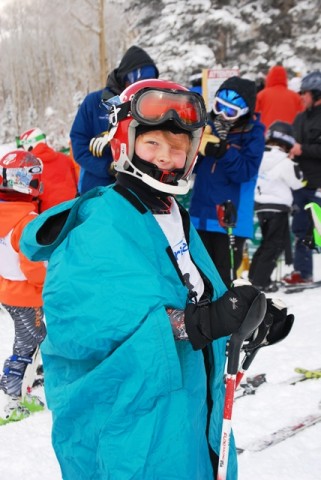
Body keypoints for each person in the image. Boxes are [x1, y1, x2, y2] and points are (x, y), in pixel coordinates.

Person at [19, 78, 279, 480]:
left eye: (178, 148)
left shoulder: (172, 213)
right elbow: (84, 325)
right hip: (133, 426)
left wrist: (244, 315)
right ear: (125, 141)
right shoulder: (101, 220)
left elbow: (195, 290)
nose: (166, 158)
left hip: (187, 412)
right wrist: (195, 323)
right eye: (152, 144)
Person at [189, 76, 265, 287]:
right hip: (200, 216)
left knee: (222, 281)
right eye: (219, 107)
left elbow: (245, 172)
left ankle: (225, 319)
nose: (222, 115)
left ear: (244, 113)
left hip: (229, 221)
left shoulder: (253, 135)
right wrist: (198, 145)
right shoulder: (207, 127)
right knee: (196, 277)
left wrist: (224, 151)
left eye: (230, 112)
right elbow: (188, 167)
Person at [70, 45, 159, 194]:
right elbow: (79, 146)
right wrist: (107, 167)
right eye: (139, 81)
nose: (143, 88)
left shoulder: (152, 107)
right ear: (125, 78)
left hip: (136, 192)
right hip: (96, 190)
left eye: (150, 83)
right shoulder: (94, 102)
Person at [0, 150, 47, 425]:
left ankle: (23, 390)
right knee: (29, 344)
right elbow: (33, 265)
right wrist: (49, 281)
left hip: (8, 291)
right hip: (28, 296)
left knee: (32, 340)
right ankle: (12, 400)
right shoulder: (27, 219)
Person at [249, 121, 305, 292]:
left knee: (267, 243)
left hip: (261, 206)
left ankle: (254, 276)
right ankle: (261, 281)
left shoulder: (259, 156)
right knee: (274, 245)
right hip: (278, 208)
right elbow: (298, 182)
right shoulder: (285, 161)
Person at [283, 70, 321, 285]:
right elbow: (293, 143)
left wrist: (302, 149)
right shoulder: (299, 118)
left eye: (305, 93)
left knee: (319, 229)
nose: (302, 97)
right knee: (301, 229)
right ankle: (303, 273)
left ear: (317, 94)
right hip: (299, 182)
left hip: (319, 184)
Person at [16, 127, 78, 212]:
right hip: (73, 211)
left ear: (29, 145)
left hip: (47, 218)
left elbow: (27, 201)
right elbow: (77, 185)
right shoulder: (65, 159)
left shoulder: (27, 168)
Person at [255, 64, 303, 129]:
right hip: (289, 135)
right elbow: (303, 116)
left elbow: (253, 115)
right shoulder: (295, 96)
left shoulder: (262, 95)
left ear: (269, 77)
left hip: (267, 134)